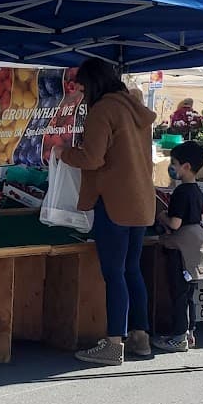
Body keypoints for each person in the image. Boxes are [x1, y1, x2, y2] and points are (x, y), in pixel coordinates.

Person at [58, 58, 157, 365]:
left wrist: (64, 153)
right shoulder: (132, 108)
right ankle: (141, 337)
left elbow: (92, 158)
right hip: (141, 200)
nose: (83, 93)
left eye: (84, 87)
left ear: (94, 84)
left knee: (114, 273)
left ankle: (114, 344)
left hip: (114, 202)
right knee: (131, 270)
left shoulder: (103, 111)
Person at [153, 140, 203, 354]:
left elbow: (175, 223)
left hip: (181, 252)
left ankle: (178, 337)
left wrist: (161, 215)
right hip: (194, 252)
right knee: (189, 294)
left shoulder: (181, 193)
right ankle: (189, 333)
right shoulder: (196, 190)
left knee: (178, 293)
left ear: (186, 166)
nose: (172, 167)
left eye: (174, 163)